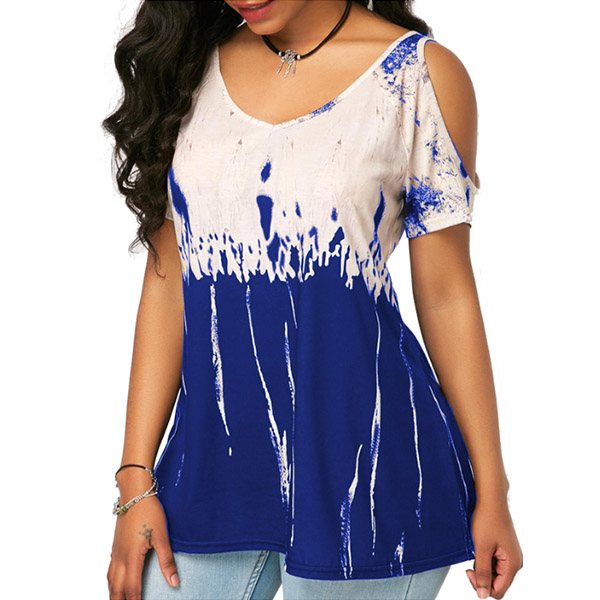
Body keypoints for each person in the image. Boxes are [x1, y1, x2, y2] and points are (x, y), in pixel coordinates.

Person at [104, 1, 523, 599]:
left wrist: (492, 489)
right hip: (211, 475)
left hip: (371, 484)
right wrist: (135, 480)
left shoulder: (416, 75)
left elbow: (446, 296)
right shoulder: (188, 65)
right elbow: (169, 278)